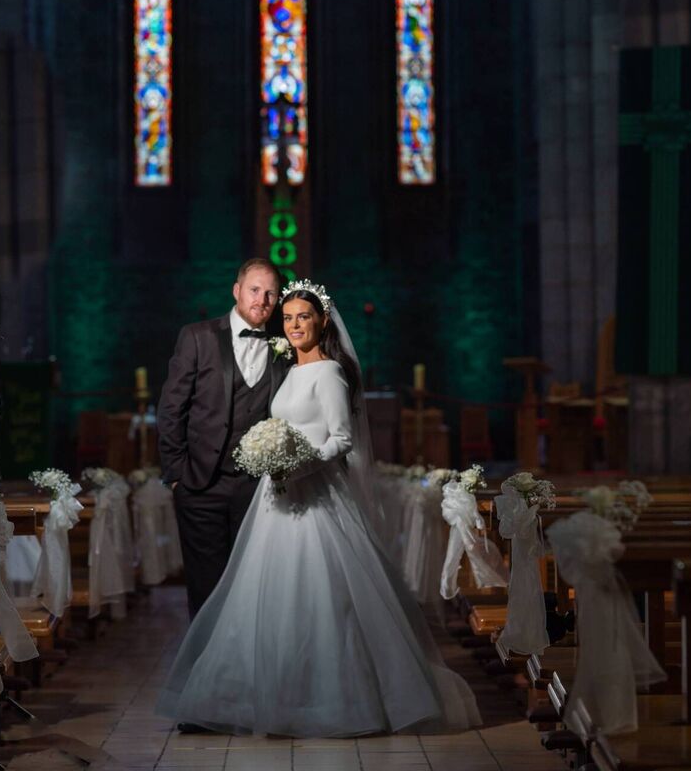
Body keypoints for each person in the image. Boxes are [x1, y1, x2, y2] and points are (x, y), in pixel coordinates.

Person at [157, 279, 481, 738]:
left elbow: (342, 440)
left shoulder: (329, 372)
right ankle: (262, 695)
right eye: (287, 318)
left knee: (320, 600)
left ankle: (329, 699)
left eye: (302, 317)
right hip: (276, 502)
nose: (292, 325)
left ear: (322, 321)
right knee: (265, 600)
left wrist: (299, 463)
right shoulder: (288, 368)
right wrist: (270, 457)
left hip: (314, 496)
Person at [157, 257, 286, 619]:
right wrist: (177, 475)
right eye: (255, 290)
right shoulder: (198, 337)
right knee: (206, 589)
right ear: (237, 290)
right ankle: (206, 671)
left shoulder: (283, 346)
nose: (262, 300)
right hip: (199, 485)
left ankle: (247, 670)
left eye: (270, 294)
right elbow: (171, 410)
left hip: (256, 489)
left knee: (254, 587)